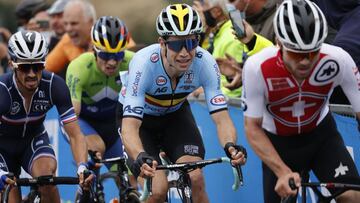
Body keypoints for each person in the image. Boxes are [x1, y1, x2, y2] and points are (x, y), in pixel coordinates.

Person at [118, 4, 247, 203]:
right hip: (141, 122)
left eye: (192, 42)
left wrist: (231, 146)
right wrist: (140, 155)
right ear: (162, 42)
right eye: (177, 45)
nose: (185, 52)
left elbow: (222, 119)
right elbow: (129, 127)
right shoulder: (144, 64)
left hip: (174, 115)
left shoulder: (205, 63)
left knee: (195, 178)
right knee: (158, 191)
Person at [241, 0, 360, 202]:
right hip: (278, 143)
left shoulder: (338, 59)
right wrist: (281, 171)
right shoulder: (257, 67)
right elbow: (252, 127)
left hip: (321, 137)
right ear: (279, 43)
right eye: (296, 53)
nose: (305, 61)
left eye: (313, 52)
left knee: (352, 197)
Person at [0, 30, 90, 203]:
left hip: (32, 140)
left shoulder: (54, 86)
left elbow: (75, 134)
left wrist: (82, 167)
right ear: (12, 64)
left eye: (38, 66)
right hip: (2, 148)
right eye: (25, 67)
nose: (32, 74)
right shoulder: (3, 91)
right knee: (9, 193)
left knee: (47, 179)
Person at [66, 16, 134, 168]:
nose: (112, 62)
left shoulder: (133, 62)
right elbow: (72, 115)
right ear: (94, 50)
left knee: (130, 179)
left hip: (113, 124)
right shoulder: (79, 67)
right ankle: (85, 187)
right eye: (105, 55)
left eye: (118, 55)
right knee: (96, 149)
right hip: (84, 122)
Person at [45, 0, 96, 79]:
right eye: (65, 23)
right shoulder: (67, 40)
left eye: (74, 23)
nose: (68, 29)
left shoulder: (104, 40)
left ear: (90, 22)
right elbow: (44, 68)